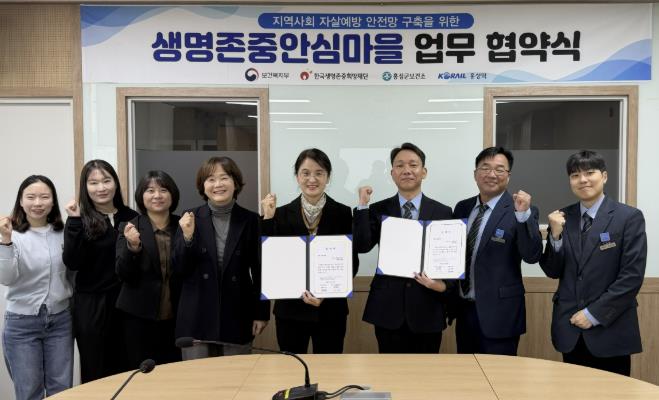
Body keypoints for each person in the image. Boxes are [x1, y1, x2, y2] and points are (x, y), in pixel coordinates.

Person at [540, 150, 646, 376]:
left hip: (610, 327)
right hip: (570, 328)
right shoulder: (561, 218)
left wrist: (593, 314)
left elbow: (632, 276)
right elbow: (552, 270)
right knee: (572, 391)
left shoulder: (628, 217)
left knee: (613, 392)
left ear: (604, 176)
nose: (583, 180)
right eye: (575, 175)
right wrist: (555, 237)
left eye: (590, 173)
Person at [353, 142, 452, 353]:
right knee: (390, 370)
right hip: (388, 309)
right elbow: (362, 246)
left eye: (413, 165)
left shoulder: (443, 211)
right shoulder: (378, 209)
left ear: (424, 172)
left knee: (427, 370)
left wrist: (443, 286)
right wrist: (362, 205)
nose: (406, 170)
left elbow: (450, 257)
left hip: (428, 307)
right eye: (400, 165)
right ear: (392, 173)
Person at [261, 148, 359, 354]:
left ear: (328, 177)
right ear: (297, 176)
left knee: (331, 368)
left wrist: (326, 293)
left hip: (331, 310)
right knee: (292, 368)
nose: (312, 179)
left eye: (319, 173)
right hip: (290, 310)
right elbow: (268, 261)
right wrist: (268, 219)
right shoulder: (279, 214)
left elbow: (352, 262)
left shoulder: (342, 213)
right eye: (305, 173)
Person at [172, 157, 269, 359]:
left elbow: (261, 270)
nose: (218, 184)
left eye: (224, 178)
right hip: (196, 314)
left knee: (237, 375)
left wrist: (261, 313)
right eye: (211, 179)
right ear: (203, 186)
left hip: (237, 312)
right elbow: (179, 268)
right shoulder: (189, 217)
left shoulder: (251, 220)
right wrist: (188, 237)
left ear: (235, 183)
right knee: (198, 377)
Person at [452, 147, 542, 356]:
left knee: (499, 374)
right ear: (475, 174)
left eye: (499, 169)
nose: (491, 174)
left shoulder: (520, 209)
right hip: (464, 309)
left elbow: (531, 255)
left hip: (501, 313)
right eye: (485, 168)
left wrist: (523, 216)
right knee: (466, 372)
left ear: (508, 176)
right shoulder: (462, 208)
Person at [63, 160, 138, 382]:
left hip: (126, 303)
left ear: (116, 183)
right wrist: (74, 220)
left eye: (106, 180)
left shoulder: (131, 216)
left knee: (127, 367)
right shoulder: (79, 219)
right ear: (85, 187)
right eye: (93, 183)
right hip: (91, 304)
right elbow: (72, 262)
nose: (101, 188)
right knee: (95, 368)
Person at [0, 176, 73, 400]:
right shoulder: (11, 234)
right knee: (29, 392)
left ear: (53, 201)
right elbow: (6, 278)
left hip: (60, 320)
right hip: (22, 323)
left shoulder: (63, 232)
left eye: (44, 197)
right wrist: (5, 240)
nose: (38, 203)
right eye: (31, 197)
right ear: (21, 202)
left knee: (62, 390)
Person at [115, 171, 182, 366]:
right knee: (142, 372)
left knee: (175, 372)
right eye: (150, 190)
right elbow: (123, 273)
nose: (157, 195)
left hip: (177, 316)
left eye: (163, 190)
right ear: (141, 196)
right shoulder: (129, 227)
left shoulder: (184, 226)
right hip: (139, 317)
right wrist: (133, 247)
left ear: (172, 195)